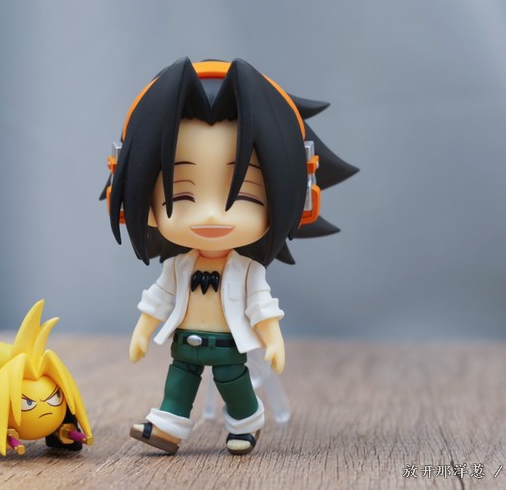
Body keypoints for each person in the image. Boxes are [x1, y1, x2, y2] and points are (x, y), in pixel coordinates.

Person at [103, 58, 357, 455]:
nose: (210, 215)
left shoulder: (245, 268)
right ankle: (167, 427)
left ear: (297, 200)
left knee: (233, 384)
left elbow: (261, 304)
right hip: (185, 342)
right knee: (179, 381)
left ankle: (246, 423)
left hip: (228, 346)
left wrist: (273, 340)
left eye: (244, 196)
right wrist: (141, 330)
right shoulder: (179, 266)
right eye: (182, 194)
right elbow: (159, 297)